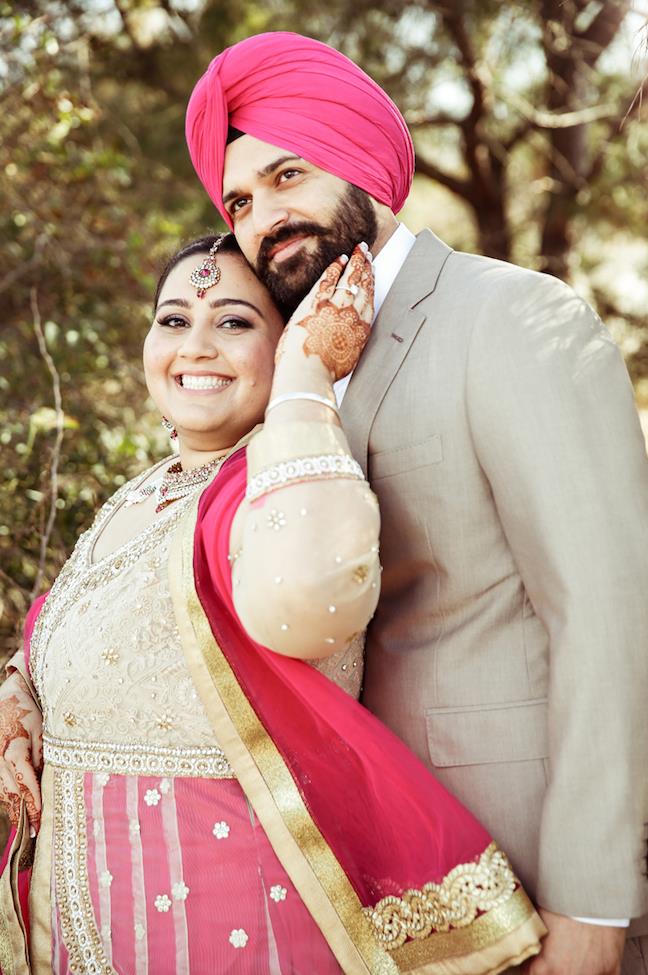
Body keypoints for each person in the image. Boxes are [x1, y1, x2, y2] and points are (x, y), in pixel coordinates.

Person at [184, 30, 648, 975]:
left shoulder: (510, 316)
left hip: (526, 868)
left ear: (359, 161)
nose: (264, 217)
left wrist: (594, 900)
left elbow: (610, 609)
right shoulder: (290, 370)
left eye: (288, 176)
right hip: (367, 894)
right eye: (239, 200)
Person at [0, 233, 544, 974]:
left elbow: (312, 598)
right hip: (77, 935)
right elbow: (73, 651)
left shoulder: (287, 481)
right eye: (172, 319)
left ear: (289, 338)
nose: (196, 345)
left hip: (234, 930)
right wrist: (18, 697)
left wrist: (306, 381)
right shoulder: (142, 491)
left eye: (234, 321)